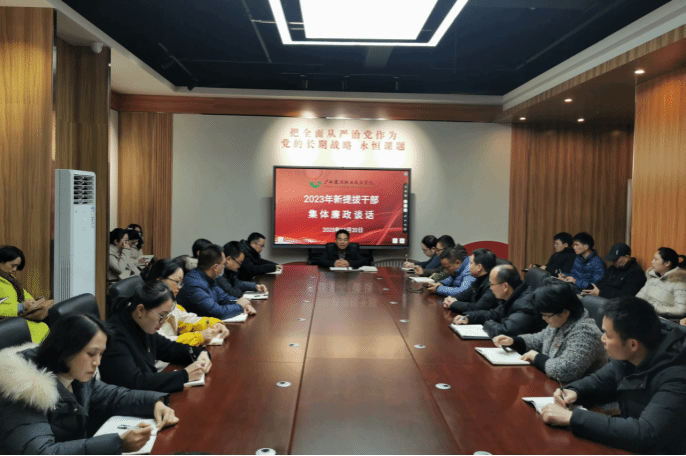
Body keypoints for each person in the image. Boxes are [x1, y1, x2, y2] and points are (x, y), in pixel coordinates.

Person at [0, 314, 179, 454]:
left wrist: (154, 403)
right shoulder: (24, 389)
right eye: (91, 354)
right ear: (66, 349)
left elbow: (112, 395)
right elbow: (42, 452)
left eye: (101, 354)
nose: (97, 362)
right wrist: (116, 444)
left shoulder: (73, 373)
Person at [540, 297, 686, 454]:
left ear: (632, 344)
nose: (602, 339)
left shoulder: (677, 375)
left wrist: (571, 418)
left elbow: (646, 432)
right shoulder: (631, 355)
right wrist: (574, 391)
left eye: (607, 335)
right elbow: (600, 381)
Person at [101, 281, 212, 393]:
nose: (163, 322)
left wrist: (200, 354)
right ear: (140, 310)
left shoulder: (141, 324)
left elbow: (169, 348)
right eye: (161, 316)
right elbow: (136, 382)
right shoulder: (115, 336)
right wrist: (185, 375)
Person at [493, 278, 607, 383]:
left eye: (547, 315)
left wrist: (537, 358)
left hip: (580, 395)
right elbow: (540, 339)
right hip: (556, 386)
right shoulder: (561, 321)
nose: (543, 318)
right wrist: (514, 341)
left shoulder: (586, 333)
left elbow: (565, 371)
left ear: (565, 312)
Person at [143, 258, 229, 346]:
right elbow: (161, 342)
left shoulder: (171, 304)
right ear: (160, 281)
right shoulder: (146, 308)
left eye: (181, 283)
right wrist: (199, 337)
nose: (180, 287)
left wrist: (215, 324)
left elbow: (188, 320)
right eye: (177, 282)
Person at [454, 264, 546, 338]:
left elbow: (506, 331)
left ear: (505, 286)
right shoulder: (512, 295)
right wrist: (469, 317)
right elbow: (493, 314)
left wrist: (486, 323)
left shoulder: (525, 304)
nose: (490, 288)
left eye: (492, 284)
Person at [176, 244, 256, 320]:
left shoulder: (209, 278)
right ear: (216, 267)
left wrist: (242, 302)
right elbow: (217, 312)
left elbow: (223, 297)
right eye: (224, 264)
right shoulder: (194, 284)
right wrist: (240, 306)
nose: (225, 266)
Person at [0, 245, 50, 343]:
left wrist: (32, 303)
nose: (15, 269)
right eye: (13, 266)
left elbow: (23, 293)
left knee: (47, 325)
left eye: (17, 266)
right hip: (7, 322)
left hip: (16, 319)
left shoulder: (9, 278)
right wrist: (21, 307)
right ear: (1, 261)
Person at [581, 243, 646, 298]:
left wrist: (600, 293)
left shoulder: (636, 273)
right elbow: (602, 283)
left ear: (626, 258)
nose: (613, 261)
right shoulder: (613, 268)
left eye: (615, 259)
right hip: (603, 298)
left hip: (617, 304)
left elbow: (627, 295)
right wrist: (589, 290)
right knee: (583, 299)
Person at [636, 247, 686, 319]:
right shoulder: (652, 278)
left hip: (661, 321)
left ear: (667, 263)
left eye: (656, 259)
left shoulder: (679, 283)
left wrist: (652, 308)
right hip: (644, 317)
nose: (652, 262)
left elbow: (681, 310)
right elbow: (639, 298)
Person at [443, 248, 498, 313]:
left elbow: (477, 308)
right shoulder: (478, 280)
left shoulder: (492, 285)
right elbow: (463, 295)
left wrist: (453, 304)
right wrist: (449, 299)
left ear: (479, 267)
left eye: (471, 263)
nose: (469, 266)